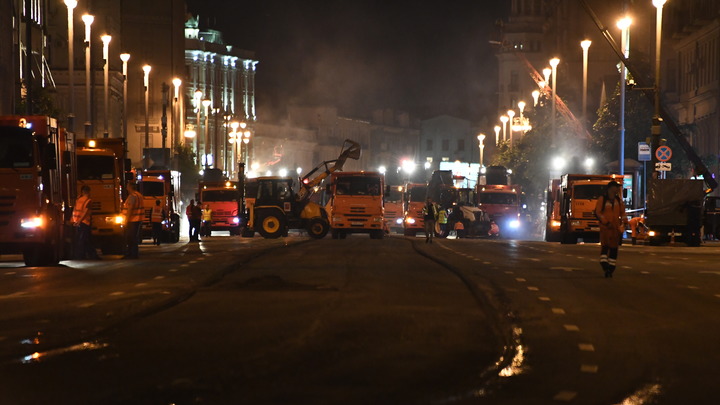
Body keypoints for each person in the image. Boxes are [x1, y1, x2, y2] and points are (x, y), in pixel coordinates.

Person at [594, 181, 627, 278]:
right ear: (610, 188)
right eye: (616, 187)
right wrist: (606, 222)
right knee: (605, 247)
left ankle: (611, 269)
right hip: (605, 228)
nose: (617, 189)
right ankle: (604, 265)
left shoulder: (618, 200)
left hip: (615, 229)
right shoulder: (602, 199)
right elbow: (598, 212)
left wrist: (625, 223)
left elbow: (623, 213)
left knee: (614, 249)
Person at [72, 185, 99, 259]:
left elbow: (74, 210)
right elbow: (85, 212)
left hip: (77, 221)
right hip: (84, 222)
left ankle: (91, 255)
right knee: (84, 239)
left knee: (85, 239)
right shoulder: (88, 200)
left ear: (82, 192)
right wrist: (80, 221)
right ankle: (84, 255)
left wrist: (75, 221)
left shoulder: (78, 200)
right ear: (89, 192)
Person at [122, 182, 144, 259]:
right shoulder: (139, 195)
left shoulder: (132, 196)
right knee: (134, 237)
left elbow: (130, 209)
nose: (126, 188)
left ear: (130, 187)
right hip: (138, 219)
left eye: (127, 186)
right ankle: (133, 253)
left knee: (130, 238)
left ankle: (131, 254)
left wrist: (126, 220)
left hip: (132, 220)